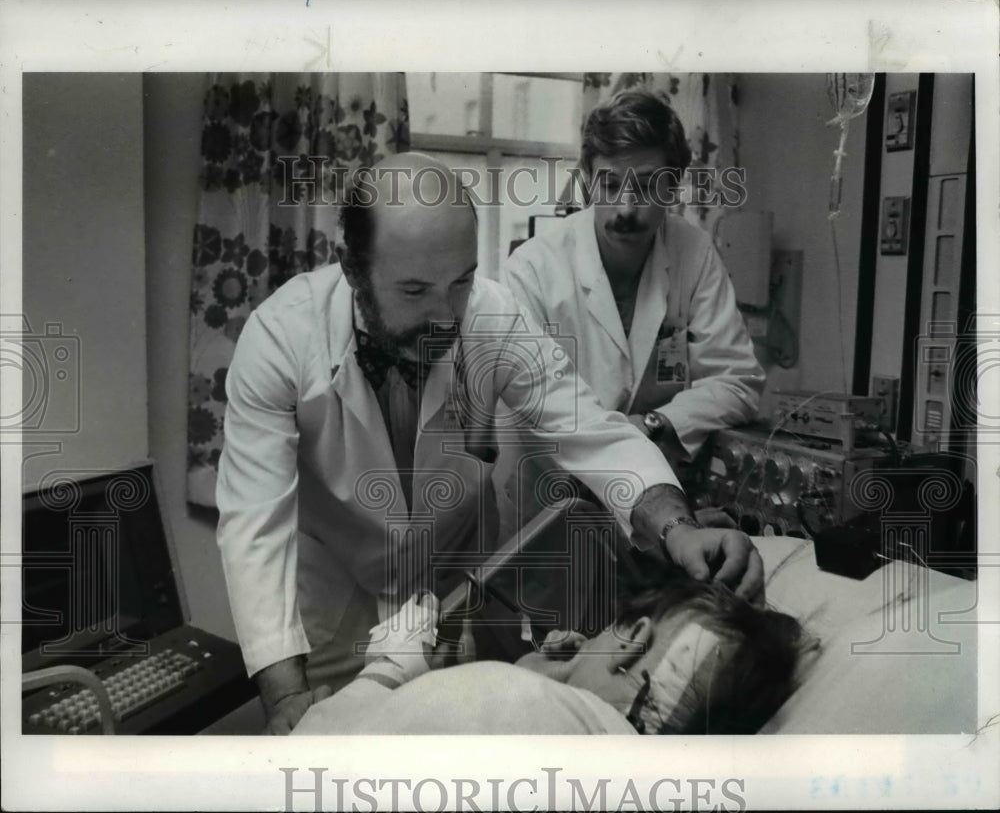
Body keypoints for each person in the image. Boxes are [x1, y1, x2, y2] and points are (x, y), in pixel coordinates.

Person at [216, 152, 764, 734]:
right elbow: (256, 523)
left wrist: (679, 528)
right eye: (414, 290)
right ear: (352, 269)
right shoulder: (280, 339)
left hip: (453, 597)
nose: (446, 315)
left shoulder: (492, 319)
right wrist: (283, 696)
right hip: (335, 606)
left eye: (460, 282)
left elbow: (588, 429)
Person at [499, 88, 765, 525]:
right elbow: (527, 410)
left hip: (662, 502)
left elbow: (737, 381)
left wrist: (656, 425)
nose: (626, 208)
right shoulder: (532, 270)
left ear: (675, 185)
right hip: (552, 508)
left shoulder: (692, 253)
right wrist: (624, 442)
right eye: (609, 184)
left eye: (646, 187)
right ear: (586, 179)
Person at [292, 565, 805, 735]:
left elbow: (305, 761)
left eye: (607, 630)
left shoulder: (506, 695)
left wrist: (388, 672)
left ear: (632, 641)